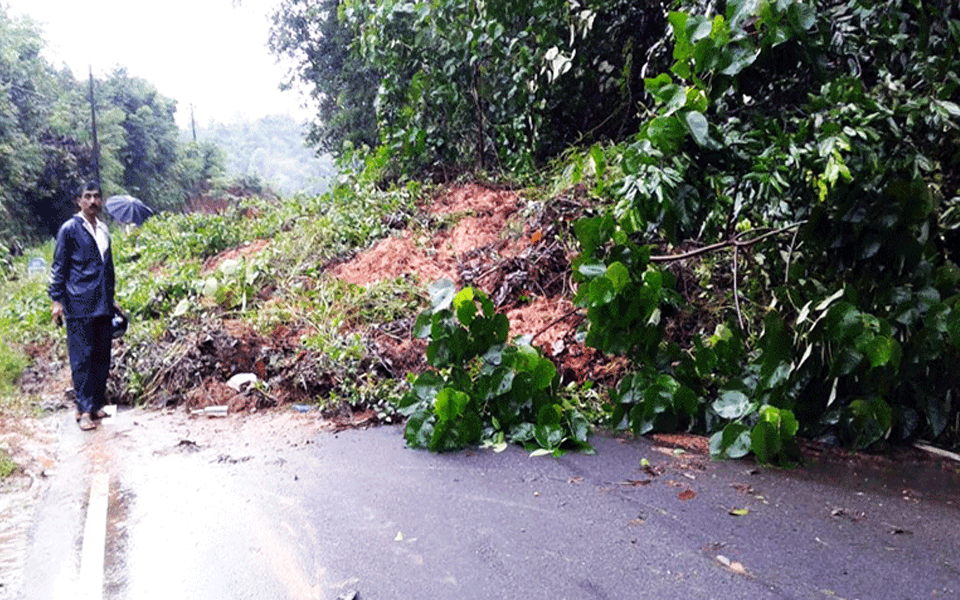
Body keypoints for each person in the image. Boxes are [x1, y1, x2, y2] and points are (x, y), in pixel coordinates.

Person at [48, 181, 120, 431]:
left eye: (96, 196)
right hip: (78, 303)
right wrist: (56, 300)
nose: (92, 201)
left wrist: (111, 298)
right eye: (87, 197)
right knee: (82, 358)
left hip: (101, 303)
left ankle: (96, 404)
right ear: (79, 201)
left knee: (102, 355)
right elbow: (59, 266)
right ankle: (83, 410)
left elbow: (106, 269)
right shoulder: (69, 229)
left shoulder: (103, 229)